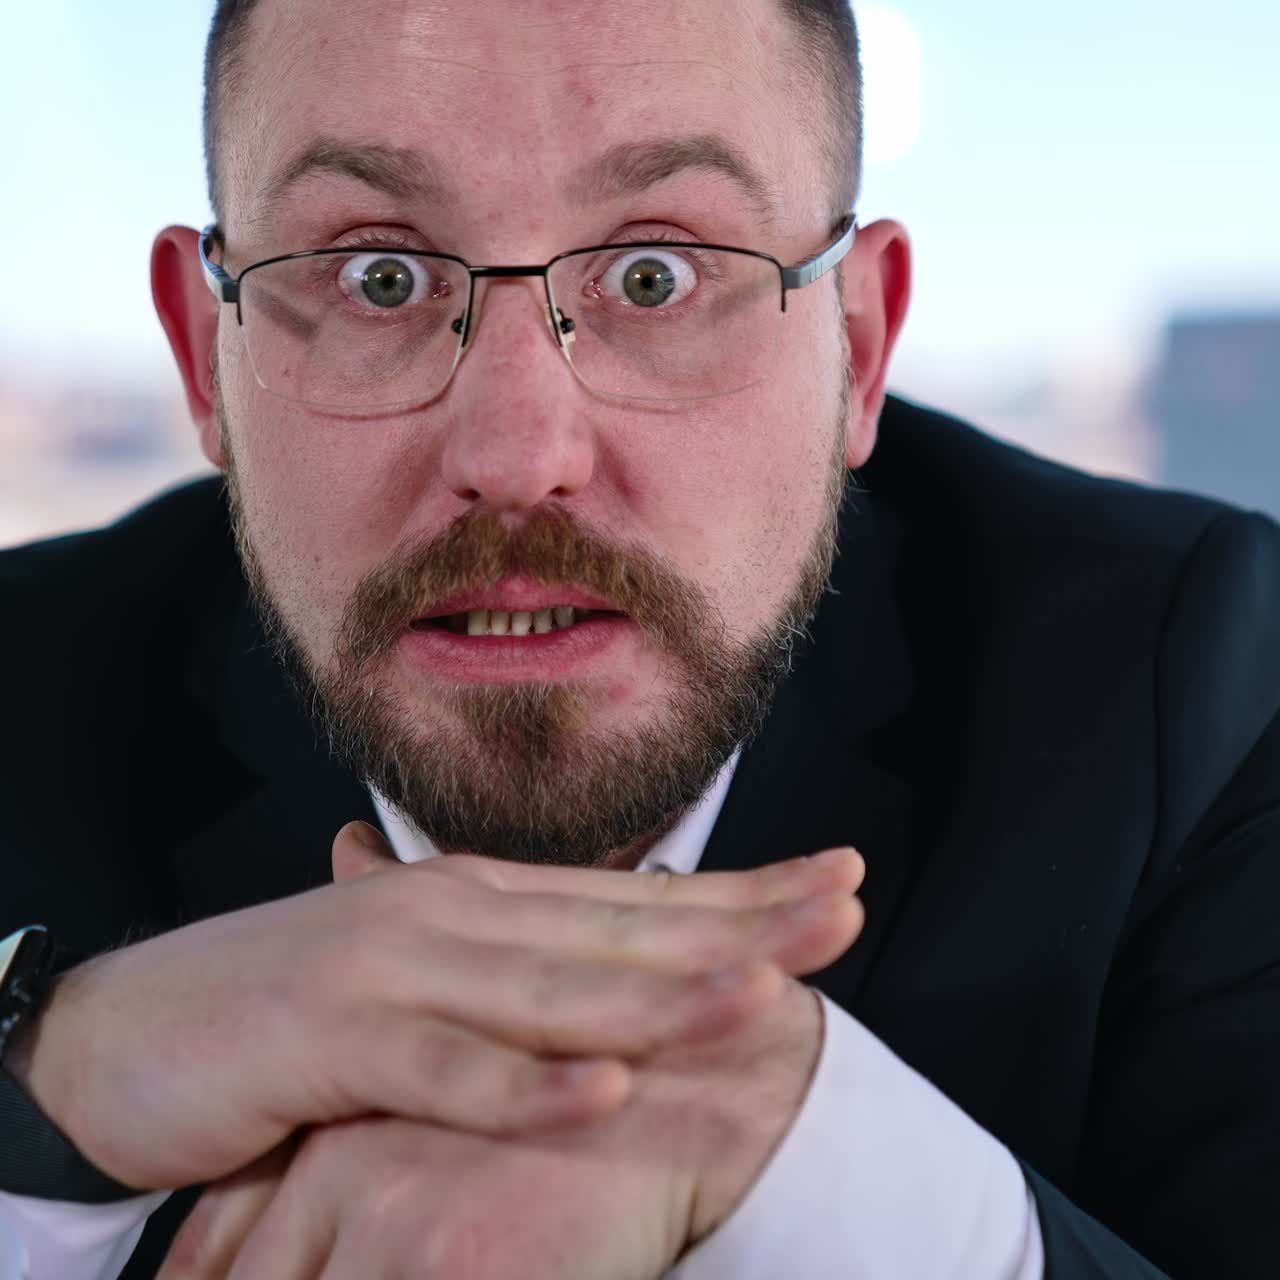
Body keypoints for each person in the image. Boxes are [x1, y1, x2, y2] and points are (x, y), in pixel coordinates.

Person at [1, 0, 1277, 1275]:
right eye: (375, 275)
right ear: (202, 358)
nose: (516, 457)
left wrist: (806, 1158)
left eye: (654, 274)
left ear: (857, 346)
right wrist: (29, 1111)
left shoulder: (1207, 683)